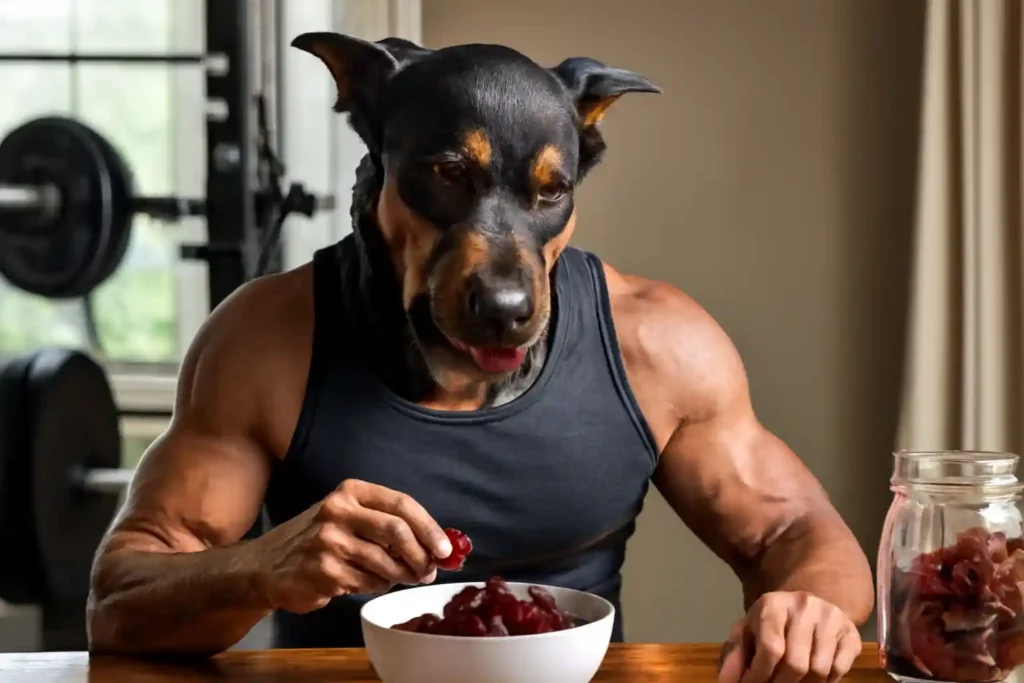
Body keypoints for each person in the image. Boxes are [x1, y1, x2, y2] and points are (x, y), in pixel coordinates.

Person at [87, 33, 873, 683]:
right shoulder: (266, 339)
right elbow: (118, 602)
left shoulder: (656, 344)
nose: (502, 284)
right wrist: (264, 564)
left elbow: (796, 533)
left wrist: (810, 606)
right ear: (381, 161)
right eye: (447, 177)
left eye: (543, 194)